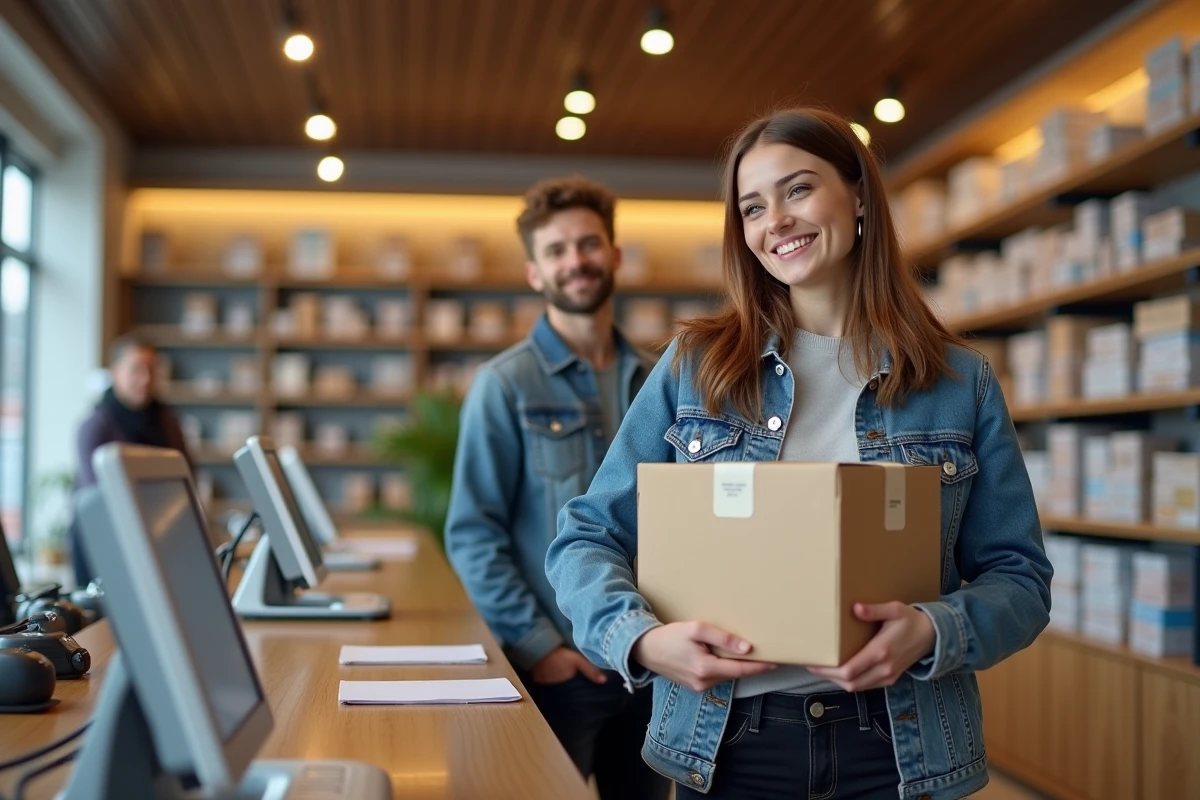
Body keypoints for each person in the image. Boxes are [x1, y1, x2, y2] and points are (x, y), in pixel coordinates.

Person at [546, 108, 1053, 800]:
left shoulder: (959, 382)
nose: (774, 220)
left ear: (861, 196)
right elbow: (585, 537)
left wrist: (933, 629)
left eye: (798, 190)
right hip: (726, 745)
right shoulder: (695, 368)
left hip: (901, 749)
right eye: (752, 207)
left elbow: (1020, 578)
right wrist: (639, 641)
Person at [444, 176, 669, 799]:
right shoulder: (504, 386)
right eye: (557, 250)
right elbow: (472, 534)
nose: (577, 261)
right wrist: (539, 646)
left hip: (652, 663)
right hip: (561, 671)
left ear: (615, 256)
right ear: (534, 272)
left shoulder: (659, 383)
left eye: (589, 244)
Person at [70, 334, 193, 586]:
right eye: (137, 370)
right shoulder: (95, 427)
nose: (145, 380)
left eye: (152, 370)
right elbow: (97, 497)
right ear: (115, 372)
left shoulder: (168, 422)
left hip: (159, 538)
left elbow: (187, 477)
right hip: (103, 543)